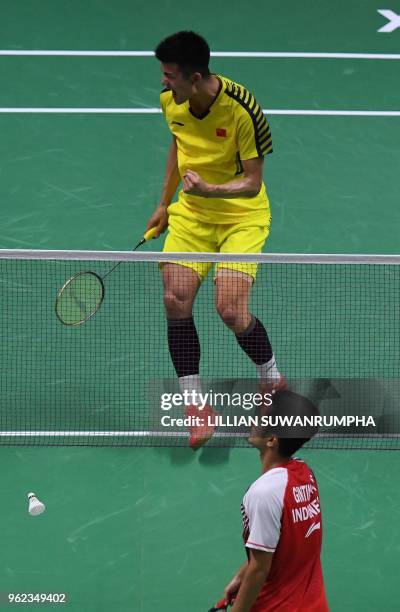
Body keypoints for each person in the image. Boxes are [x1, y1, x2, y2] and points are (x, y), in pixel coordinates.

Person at [146, 31, 285, 450]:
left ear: (196, 76)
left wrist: (209, 189)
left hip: (241, 215)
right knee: (175, 299)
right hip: (191, 213)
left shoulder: (242, 109)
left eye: (171, 75)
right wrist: (164, 202)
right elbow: (178, 141)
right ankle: (196, 406)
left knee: (229, 308)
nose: (164, 82)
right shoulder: (171, 100)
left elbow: (252, 181)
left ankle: (272, 380)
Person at [219, 390, 328, 612]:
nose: (254, 420)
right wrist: (241, 576)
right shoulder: (304, 473)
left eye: (262, 418)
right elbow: (279, 548)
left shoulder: (264, 493)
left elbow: (260, 568)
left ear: (272, 440)